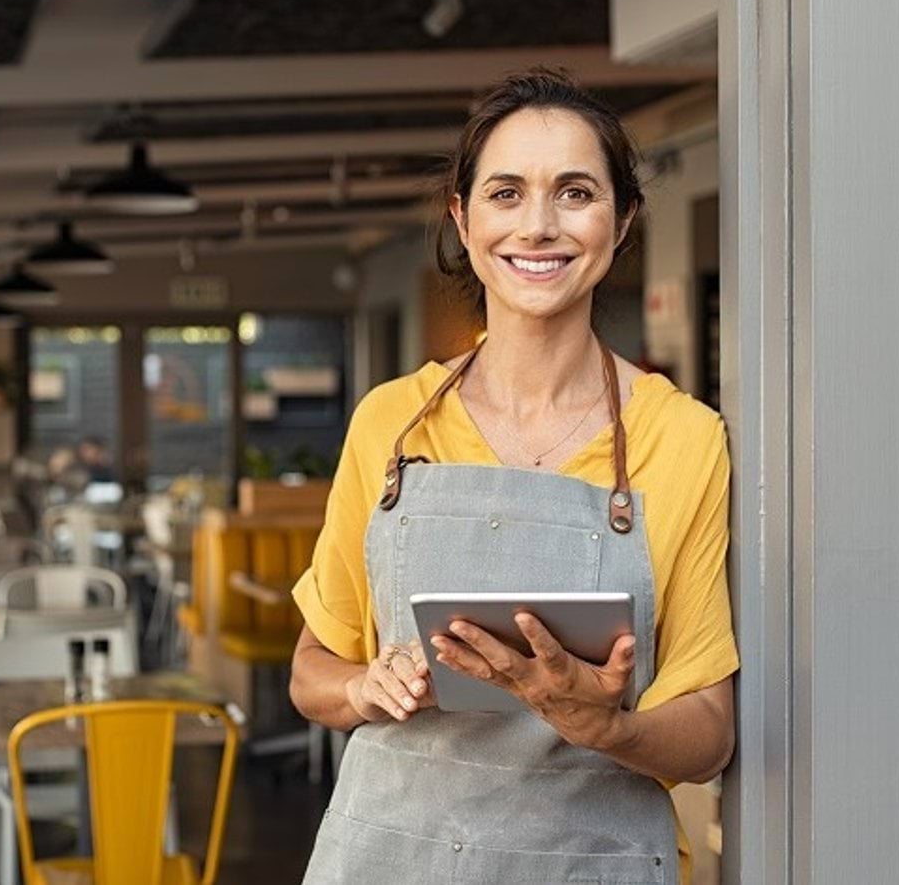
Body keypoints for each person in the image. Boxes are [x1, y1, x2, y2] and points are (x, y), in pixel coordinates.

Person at [289, 69, 737, 885]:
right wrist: (365, 687)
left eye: (574, 192)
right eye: (505, 193)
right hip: (387, 859)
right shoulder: (391, 421)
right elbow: (312, 668)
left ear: (622, 217)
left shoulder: (683, 438)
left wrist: (604, 723)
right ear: (463, 218)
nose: (538, 226)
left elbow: (709, 728)